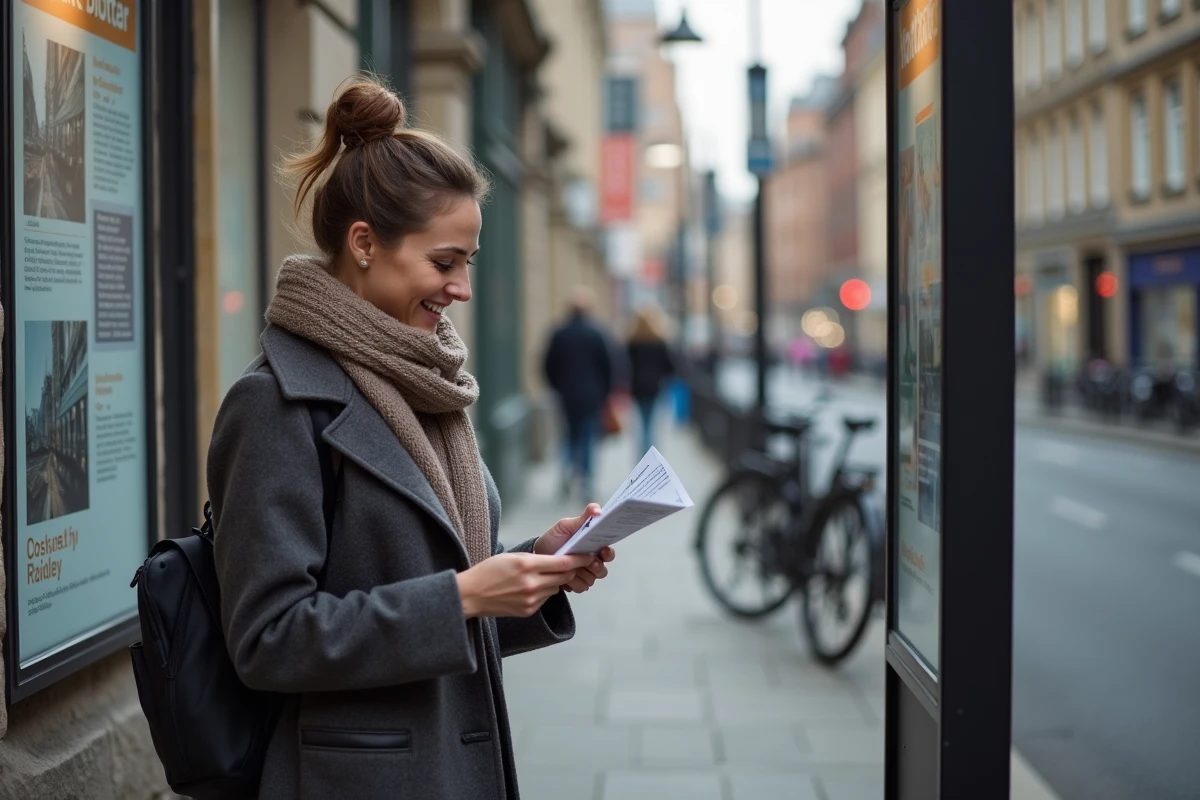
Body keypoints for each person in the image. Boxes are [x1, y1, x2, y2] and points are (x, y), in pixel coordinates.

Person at [207, 76, 615, 800]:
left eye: (469, 262)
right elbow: (268, 641)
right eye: (443, 262)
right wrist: (462, 596)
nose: (461, 288)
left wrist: (528, 569)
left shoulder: (426, 383)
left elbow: (439, 585)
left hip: (451, 762)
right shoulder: (275, 403)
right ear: (364, 243)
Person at [542, 287, 614, 498]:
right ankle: (587, 481)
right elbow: (608, 367)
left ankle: (566, 472)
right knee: (588, 437)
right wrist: (604, 393)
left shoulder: (559, 333)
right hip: (592, 396)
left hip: (567, 395)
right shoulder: (597, 334)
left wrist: (557, 387)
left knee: (568, 436)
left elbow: (547, 365)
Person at [625, 306, 676, 456]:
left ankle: (642, 458)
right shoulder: (659, 343)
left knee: (641, 425)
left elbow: (625, 367)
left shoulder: (632, 343)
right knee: (651, 425)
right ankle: (651, 458)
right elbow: (670, 367)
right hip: (655, 388)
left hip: (637, 388)